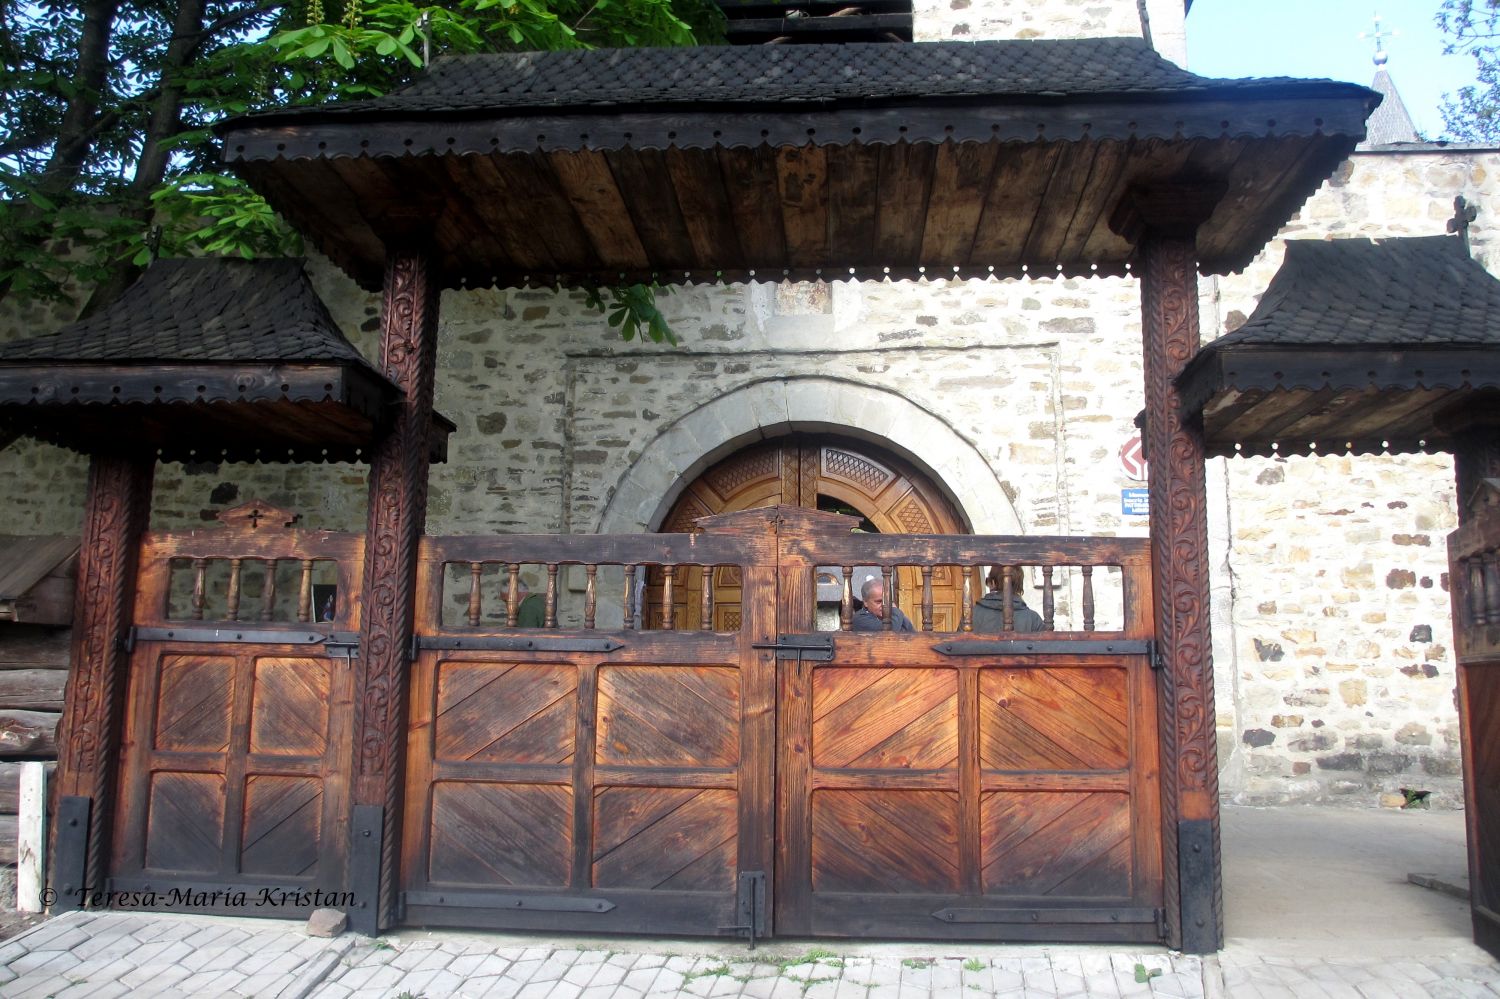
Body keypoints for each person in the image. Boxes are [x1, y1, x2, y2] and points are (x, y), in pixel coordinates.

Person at [972, 565, 1044, 633]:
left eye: (988, 580)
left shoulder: (971, 615)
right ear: (1019, 585)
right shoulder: (1033, 619)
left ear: (993, 583)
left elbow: (961, 645)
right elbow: (1045, 645)